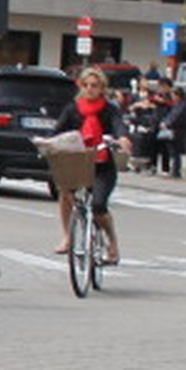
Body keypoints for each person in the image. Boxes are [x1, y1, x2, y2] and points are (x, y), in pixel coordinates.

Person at [54, 65, 129, 265]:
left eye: (94, 86)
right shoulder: (73, 109)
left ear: (102, 88)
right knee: (64, 191)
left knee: (98, 206)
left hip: (102, 165)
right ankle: (67, 237)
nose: (89, 89)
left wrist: (122, 138)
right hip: (79, 163)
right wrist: (49, 143)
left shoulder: (109, 109)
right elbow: (58, 130)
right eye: (86, 85)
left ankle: (112, 243)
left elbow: (119, 124)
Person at [152, 83, 186, 178]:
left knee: (175, 151)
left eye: (174, 95)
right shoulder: (180, 105)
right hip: (176, 129)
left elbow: (175, 116)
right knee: (173, 151)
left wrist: (167, 123)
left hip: (177, 130)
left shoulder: (181, 106)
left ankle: (175, 170)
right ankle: (174, 169)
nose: (173, 97)